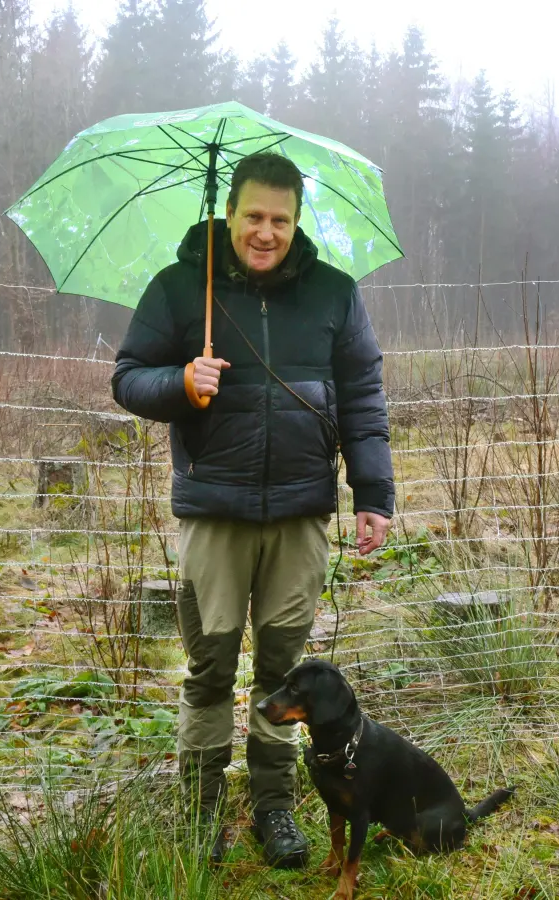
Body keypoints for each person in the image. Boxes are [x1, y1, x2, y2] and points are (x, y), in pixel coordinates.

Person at [111, 151, 394, 868]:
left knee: (282, 671)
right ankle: (200, 815)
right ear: (228, 213)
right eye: (253, 217)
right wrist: (180, 381)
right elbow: (128, 378)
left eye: (280, 220)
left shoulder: (334, 294)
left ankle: (274, 808)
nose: (266, 233)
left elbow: (363, 399)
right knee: (210, 669)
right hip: (215, 511)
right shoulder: (182, 287)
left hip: (300, 514)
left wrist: (373, 495)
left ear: (297, 222)